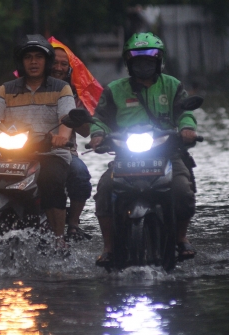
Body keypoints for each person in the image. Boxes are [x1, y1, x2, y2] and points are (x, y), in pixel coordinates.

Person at [88, 32, 199, 266]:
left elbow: (185, 113)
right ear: (129, 64)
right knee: (105, 188)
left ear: (158, 62)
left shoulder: (172, 85)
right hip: (126, 157)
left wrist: (187, 129)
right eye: (138, 61)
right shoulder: (114, 89)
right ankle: (108, 248)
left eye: (148, 61)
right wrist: (97, 135)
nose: (143, 66)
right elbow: (99, 117)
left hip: (167, 155)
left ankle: (181, 238)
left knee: (182, 190)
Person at [0, 34, 76, 240]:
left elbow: (66, 118)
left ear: (47, 61)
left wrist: (61, 136)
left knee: (51, 181)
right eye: (28, 57)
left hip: (50, 153)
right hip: (13, 155)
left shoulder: (61, 88)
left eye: (38, 57)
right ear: (21, 61)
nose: (33, 62)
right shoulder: (7, 89)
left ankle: (59, 239)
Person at [49, 37, 103, 241]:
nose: (59, 68)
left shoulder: (73, 93)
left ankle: (72, 224)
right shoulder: (20, 89)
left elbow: (85, 131)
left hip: (64, 152)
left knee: (80, 175)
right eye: (55, 62)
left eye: (64, 64)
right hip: (24, 150)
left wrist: (74, 116)